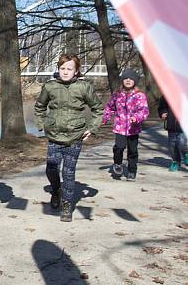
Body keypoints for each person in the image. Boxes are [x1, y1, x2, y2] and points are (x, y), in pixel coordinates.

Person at [35, 53, 103, 222]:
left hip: (75, 137)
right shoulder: (50, 86)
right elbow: (39, 107)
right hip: (54, 136)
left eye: (69, 69)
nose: (65, 72)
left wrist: (92, 128)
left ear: (76, 70)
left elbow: (97, 108)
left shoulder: (84, 87)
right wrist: (42, 124)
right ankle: (56, 190)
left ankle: (67, 205)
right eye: (62, 68)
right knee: (51, 169)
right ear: (58, 69)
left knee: (68, 173)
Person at [103, 67, 149, 181]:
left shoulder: (140, 95)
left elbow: (144, 110)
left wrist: (136, 118)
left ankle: (132, 170)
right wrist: (106, 116)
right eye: (125, 78)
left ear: (135, 81)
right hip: (120, 126)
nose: (128, 80)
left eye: (131, 79)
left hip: (133, 128)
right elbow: (110, 107)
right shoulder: (117, 94)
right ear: (122, 80)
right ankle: (117, 163)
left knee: (132, 150)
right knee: (119, 147)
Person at [158, 93, 188, 172]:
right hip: (171, 124)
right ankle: (176, 161)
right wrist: (163, 113)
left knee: (182, 143)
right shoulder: (168, 92)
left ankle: (186, 154)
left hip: (184, 125)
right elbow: (162, 106)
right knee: (172, 145)